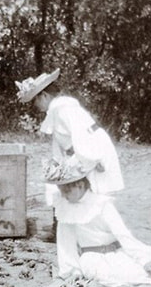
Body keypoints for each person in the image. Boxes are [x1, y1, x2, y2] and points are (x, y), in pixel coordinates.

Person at [15, 69, 124, 206]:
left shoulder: (64, 109)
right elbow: (59, 143)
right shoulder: (56, 110)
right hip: (83, 151)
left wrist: (93, 159)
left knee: (96, 195)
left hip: (93, 148)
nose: (34, 106)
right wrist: (57, 164)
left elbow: (81, 134)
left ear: (44, 95)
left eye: (34, 101)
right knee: (65, 189)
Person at [44, 159, 151, 287]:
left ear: (80, 185)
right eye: (61, 191)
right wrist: (73, 271)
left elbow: (123, 234)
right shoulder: (65, 207)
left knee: (139, 273)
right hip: (91, 258)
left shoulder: (101, 204)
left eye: (67, 191)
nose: (64, 196)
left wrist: (144, 259)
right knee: (107, 276)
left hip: (116, 253)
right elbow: (66, 244)